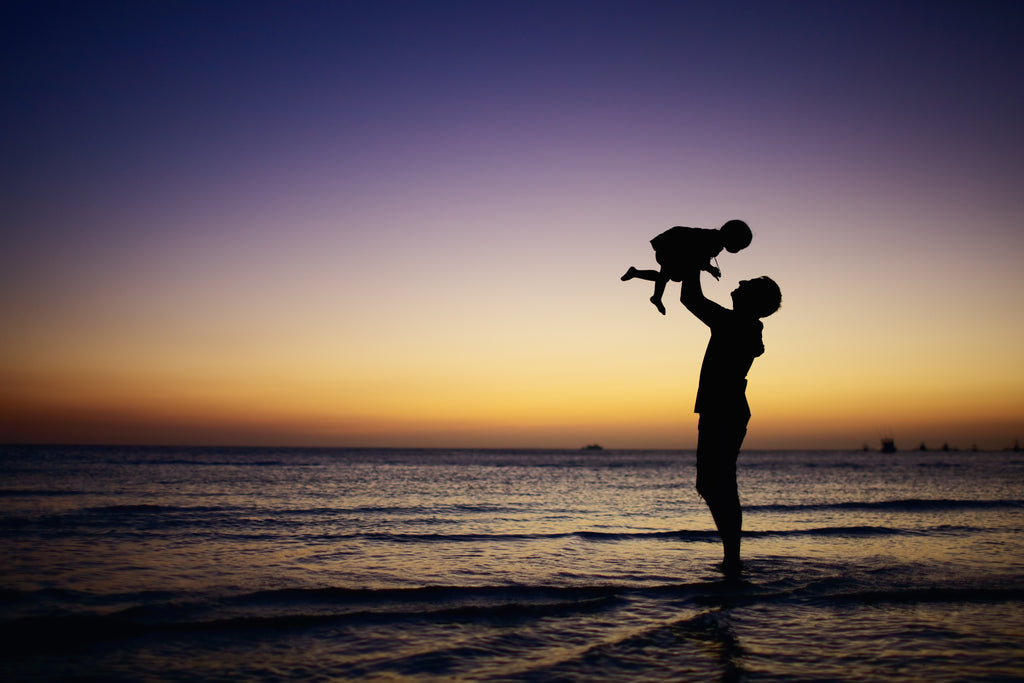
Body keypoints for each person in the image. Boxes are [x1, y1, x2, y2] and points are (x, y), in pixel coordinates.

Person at [679, 268, 781, 573]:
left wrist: (693, 260)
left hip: (723, 410)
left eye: (746, 284)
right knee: (714, 483)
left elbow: (689, 297)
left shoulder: (733, 322)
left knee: (716, 483)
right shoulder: (744, 324)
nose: (738, 283)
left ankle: (732, 560)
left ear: (753, 299)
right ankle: (731, 557)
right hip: (723, 408)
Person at [621, 220, 752, 314]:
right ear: (733, 239)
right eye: (739, 246)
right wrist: (710, 269)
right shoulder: (714, 240)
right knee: (665, 275)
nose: (737, 250)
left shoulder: (715, 240)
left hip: (674, 247)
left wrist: (709, 268)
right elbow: (699, 256)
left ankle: (637, 275)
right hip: (671, 245)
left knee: (664, 276)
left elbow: (701, 258)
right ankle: (656, 296)